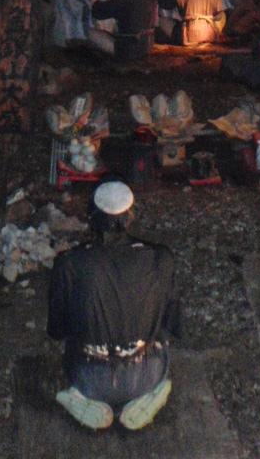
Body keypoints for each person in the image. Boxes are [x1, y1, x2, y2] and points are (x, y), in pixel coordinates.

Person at [47, 179, 181, 431]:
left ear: (92, 217)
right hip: (145, 373)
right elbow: (173, 323)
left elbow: (56, 330)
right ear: (130, 216)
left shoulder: (70, 263)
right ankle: (148, 396)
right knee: (159, 341)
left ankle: (85, 401)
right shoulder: (160, 258)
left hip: (89, 376)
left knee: (72, 345)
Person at [83, 0, 157, 62]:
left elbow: (99, 12)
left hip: (130, 49)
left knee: (91, 33)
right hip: (147, 46)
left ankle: (108, 62)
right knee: (111, 33)